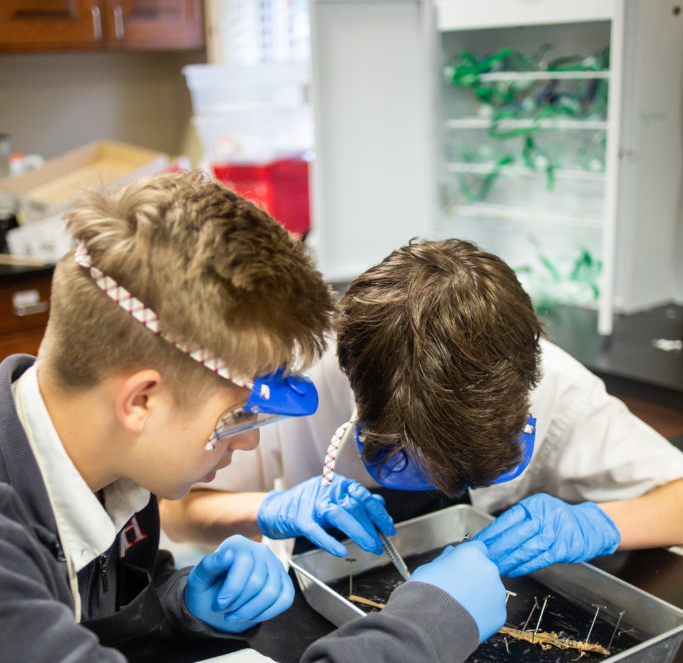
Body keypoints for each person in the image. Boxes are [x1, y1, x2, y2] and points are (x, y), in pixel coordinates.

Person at [0, 175, 508, 663]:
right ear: (140, 400)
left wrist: (174, 606)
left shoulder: (106, 473)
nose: (245, 445)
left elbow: (63, 624)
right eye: (238, 416)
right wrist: (419, 634)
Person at [160, 238, 683, 570]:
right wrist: (267, 510)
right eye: (408, 464)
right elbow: (177, 515)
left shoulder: (557, 387)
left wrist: (596, 525)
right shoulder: (300, 376)